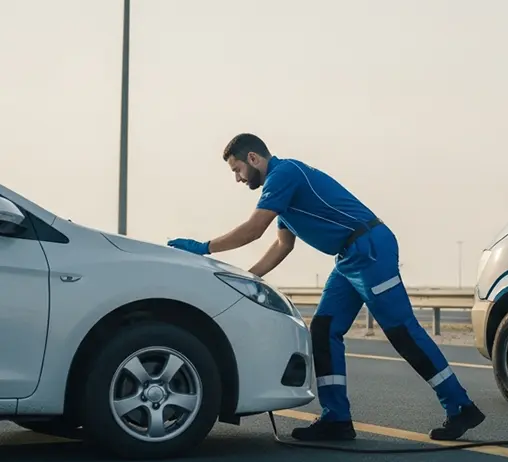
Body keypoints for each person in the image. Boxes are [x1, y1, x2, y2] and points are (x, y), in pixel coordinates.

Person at [166, 133, 485, 442]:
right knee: (323, 329)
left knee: (402, 331)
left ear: (253, 158)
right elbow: (281, 245)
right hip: (349, 257)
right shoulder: (281, 189)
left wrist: (203, 247)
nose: (237, 178)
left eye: (237, 169)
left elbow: (254, 229)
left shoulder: (284, 174)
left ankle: (461, 407)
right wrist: (247, 278)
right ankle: (337, 418)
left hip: (370, 249)